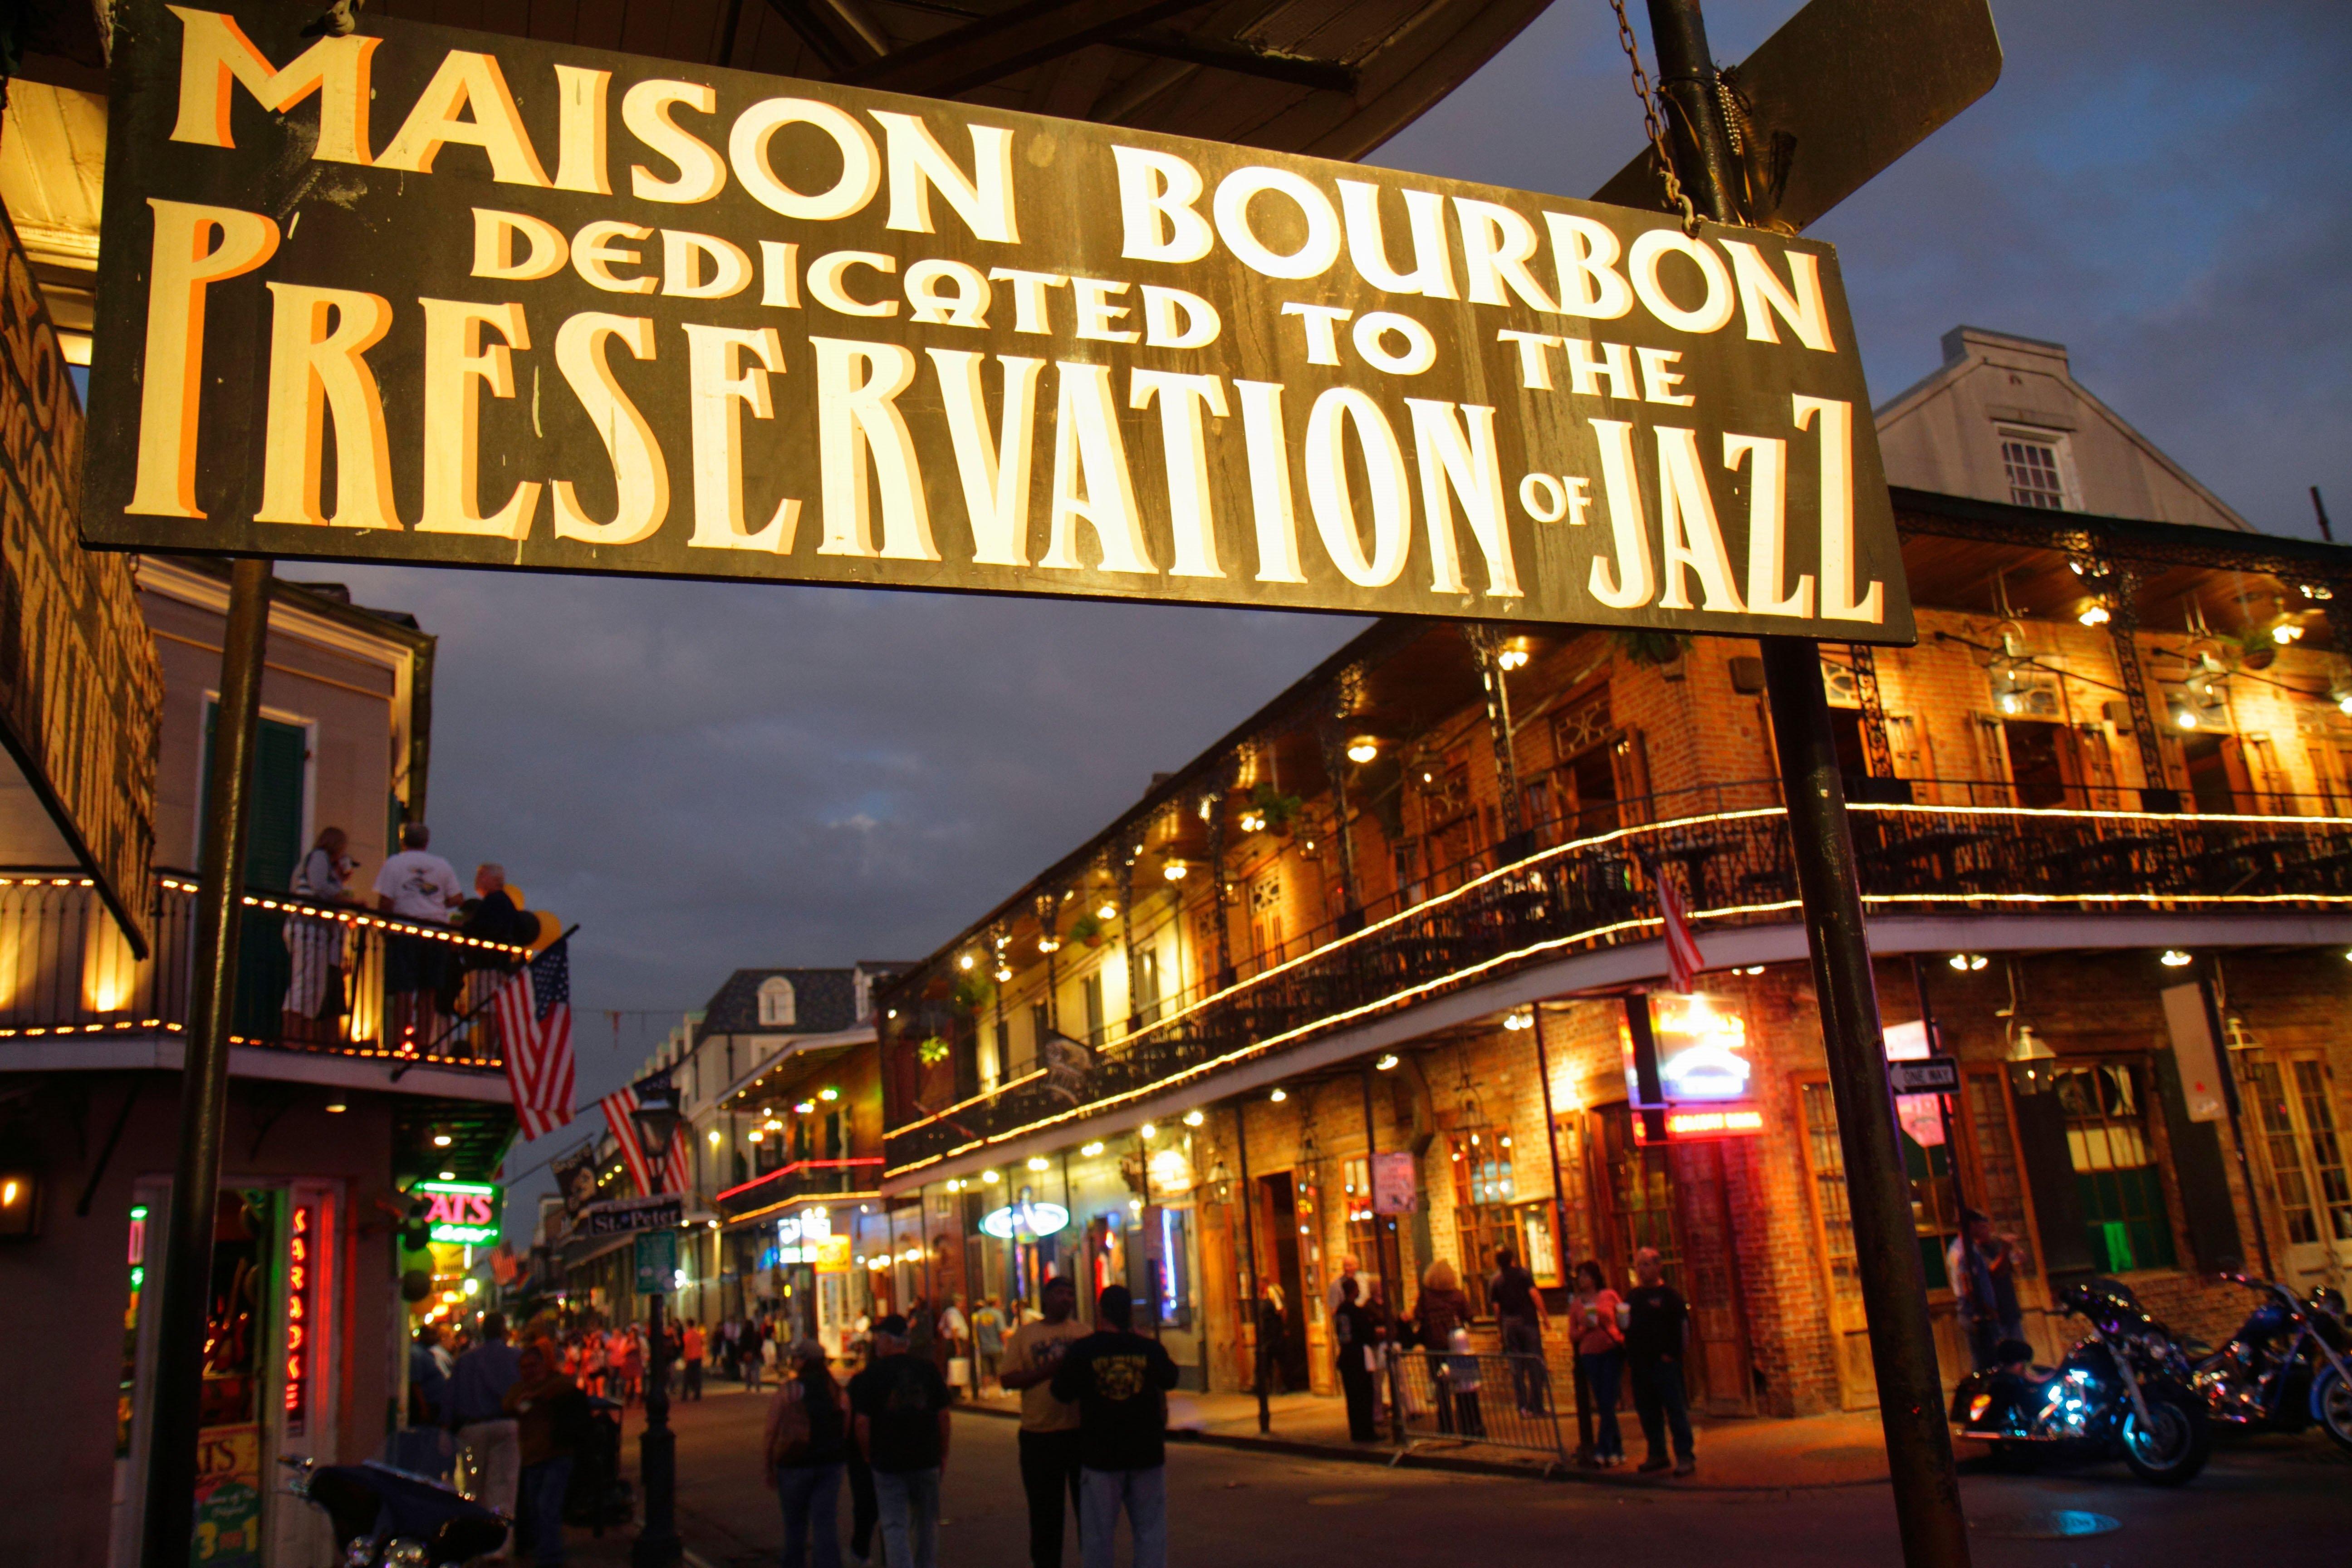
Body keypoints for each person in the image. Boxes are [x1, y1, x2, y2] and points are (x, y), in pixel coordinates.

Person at [1051, 1286, 1181, 1568]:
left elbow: (1061, 1392)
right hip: (1146, 1453)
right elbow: (1171, 1378)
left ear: (1101, 1312)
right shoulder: (1148, 1348)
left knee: (1098, 1536)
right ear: (1130, 1313)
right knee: (1150, 1532)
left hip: (1101, 1454)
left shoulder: (1084, 1350)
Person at [848, 1315, 951, 1568]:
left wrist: (867, 1454)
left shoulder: (872, 1374)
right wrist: (942, 1453)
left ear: (886, 1341)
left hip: (888, 1460)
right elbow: (943, 1416)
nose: (876, 1344)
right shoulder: (927, 1370)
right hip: (925, 1456)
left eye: (878, 1338)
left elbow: (862, 1422)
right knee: (927, 1523)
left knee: (894, 1524)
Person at [999, 1275, 1086, 1568]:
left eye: (1070, 1294)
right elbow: (1008, 1379)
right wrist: (1051, 1369)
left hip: (1078, 1433)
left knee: (1090, 1512)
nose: (1066, 1299)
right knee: (1045, 1513)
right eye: (1060, 1293)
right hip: (1039, 1436)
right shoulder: (1025, 1335)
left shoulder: (1083, 1333)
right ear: (1046, 1299)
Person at [372, 823, 463, 1049]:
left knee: (404, 989)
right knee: (429, 990)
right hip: (435, 933)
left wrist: (385, 925)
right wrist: (436, 902)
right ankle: (424, 1042)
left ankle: (399, 1040)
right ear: (426, 842)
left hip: (404, 932)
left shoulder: (394, 864)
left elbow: (386, 901)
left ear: (403, 840)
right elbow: (457, 898)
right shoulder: (441, 865)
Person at [767, 1340, 850, 1568]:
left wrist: (770, 1463)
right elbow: (846, 1424)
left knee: (795, 1524)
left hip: (795, 1461)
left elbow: (771, 1430)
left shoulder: (790, 1390)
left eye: (797, 1358)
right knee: (825, 1523)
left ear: (803, 1361)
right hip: (829, 1462)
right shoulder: (835, 1390)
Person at [504, 1345, 587, 1568]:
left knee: (547, 1506)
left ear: (542, 1366)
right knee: (536, 1509)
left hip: (556, 1454)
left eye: (533, 1366)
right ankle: (544, 1550)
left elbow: (566, 1386)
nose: (528, 1371)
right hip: (532, 1457)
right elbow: (509, 1403)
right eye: (524, 1367)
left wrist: (539, 1395)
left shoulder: (555, 1383)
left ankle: (550, 1557)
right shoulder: (519, 1389)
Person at [449, 1312, 524, 1553]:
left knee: (474, 1487)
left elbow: (452, 1398)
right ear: (504, 1331)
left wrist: (445, 1428)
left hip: (473, 1427)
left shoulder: (467, 1360)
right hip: (507, 1425)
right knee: (503, 1487)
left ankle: (475, 1542)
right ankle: (498, 1548)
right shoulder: (516, 1358)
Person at [1622, 1247, 1696, 1476]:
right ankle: (1657, 1453)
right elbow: (1627, 1328)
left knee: (1674, 1410)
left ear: (1657, 1266)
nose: (1641, 1271)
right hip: (1641, 1364)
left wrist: (1672, 1355)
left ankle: (1685, 1455)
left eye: (1645, 1265)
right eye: (1638, 1266)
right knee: (1648, 1411)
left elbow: (1683, 1329)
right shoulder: (1633, 1297)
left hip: (1663, 1363)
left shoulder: (1670, 1297)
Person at [282, 826, 357, 1042]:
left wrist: (341, 880)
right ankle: (293, 1035)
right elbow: (320, 887)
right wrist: (344, 897)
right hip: (307, 928)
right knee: (304, 982)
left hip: (318, 931)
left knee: (315, 986)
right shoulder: (319, 857)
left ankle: (304, 1035)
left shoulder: (325, 865)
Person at [456, 863, 536, 1055]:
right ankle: (489, 1052)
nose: (478, 879)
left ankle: (487, 1053)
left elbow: (484, 929)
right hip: (497, 965)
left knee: (488, 1011)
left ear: (493, 879)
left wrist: (464, 928)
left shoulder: (495, 902)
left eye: (482, 875)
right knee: (490, 1011)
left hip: (488, 966)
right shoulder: (504, 902)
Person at [1948, 1209, 2025, 1371]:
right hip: (1978, 1314)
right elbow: (1970, 1289)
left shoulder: (1966, 1248)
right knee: (1990, 1365)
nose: (1987, 1230)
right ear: (1972, 1226)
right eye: (1982, 1226)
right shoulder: (1966, 1252)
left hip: (1993, 1312)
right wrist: (1991, 1312)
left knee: (1994, 1362)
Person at [1571, 1261, 1627, 1466]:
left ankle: (1603, 1449)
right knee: (1604, 1402)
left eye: (1585, 1275)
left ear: (1594, 1278)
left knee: (1608, 1400)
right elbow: (1573, 1334)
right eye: (1580, 1276)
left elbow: (1622, 1317)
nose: (1582, 1279)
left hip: (1610, 1351)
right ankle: (1616, 1449)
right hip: (1590, 1355)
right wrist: (1584, 1329)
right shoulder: (1577, 1304)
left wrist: (1622, 1333)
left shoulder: (1608, 1296)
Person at [1490, 1245, 1551, 1415]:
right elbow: (1535, 1295)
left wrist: (1500, 1330)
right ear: (1512, 1259)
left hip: (1510, 1324)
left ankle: (1523, 1407)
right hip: (1528, 1322)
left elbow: (1497, 1310)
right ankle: (1537, 1406)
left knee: (1517, 1367)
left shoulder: (1496, 1280)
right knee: (1535, 1363)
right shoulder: (1523, 1275)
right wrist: (1545, 1318)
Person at [1412, 1261, 1472, 1433]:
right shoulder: (1458, 1295)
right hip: (1456, 1346)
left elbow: (1417, 1315)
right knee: (1463, 1385)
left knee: (1441, 1387)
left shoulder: (1426, 1297)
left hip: (1435, 1346)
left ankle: (1446, 1425)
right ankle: (1467, 1424)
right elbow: (1469, 1316)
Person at [1331, 1277, 1382, 1442]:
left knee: (1352, 1398)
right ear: (1354, 1291)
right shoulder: (1357, 1312)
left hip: (1346, 1356)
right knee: (1364, 1396)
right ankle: (1366, 1432)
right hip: (1358, 1356)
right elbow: (1366, 1334)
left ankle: (1356, 1432)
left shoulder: (1340, 1311)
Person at [972, 1296, 1008, 1395]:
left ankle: (985, 1391)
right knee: (1000, 1368)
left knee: (985, 1370)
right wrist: (1005, 1345)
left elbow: (977, 1331)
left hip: (984, 1347)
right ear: (996, 1303)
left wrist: (980, 1343)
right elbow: (1001, 1332)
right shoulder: (998, 1314)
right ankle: (1002, 1390)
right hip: (996, 1346)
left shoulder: (980, 1314)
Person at [938, 1294, 970, 1393]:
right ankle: (956, 1391)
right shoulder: (953, 1313)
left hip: (952, 1341)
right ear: (958, 1302)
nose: (964, 1305)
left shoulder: (951, 1313)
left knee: (955, 1366)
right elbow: (954, 1329)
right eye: (962, 1302)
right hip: (955, 1342)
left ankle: (956, 1390)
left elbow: (940, 1328)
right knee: (956, 1367)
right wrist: (958, 1346)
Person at [681, 1318, 706, 1401]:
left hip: (691, 1357)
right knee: (697, 1376)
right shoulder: (698, 1334)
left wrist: (685, 1357)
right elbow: (702, 1344)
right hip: (698, 1356)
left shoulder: (687, 1335)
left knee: (687, 1377)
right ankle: (697, 1394)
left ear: (688, 1325)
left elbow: (687, 1347)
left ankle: (685, 1395)